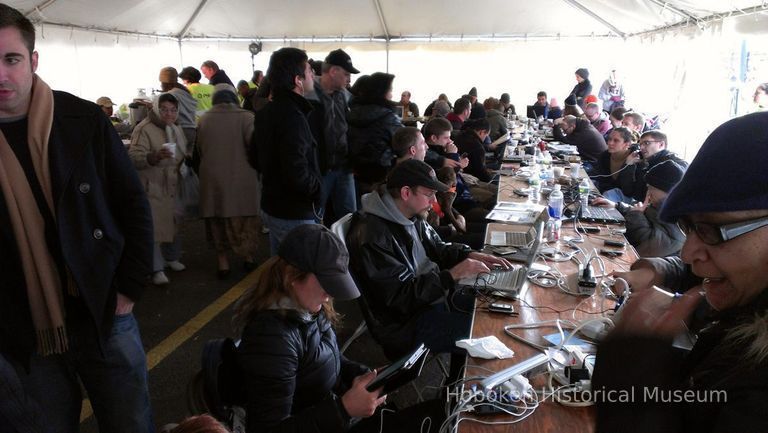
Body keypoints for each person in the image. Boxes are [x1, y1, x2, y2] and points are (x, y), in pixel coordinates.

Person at [0, 4, 153, 432]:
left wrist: (128, 289)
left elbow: (132, 205)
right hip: (24, 327)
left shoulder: (82, 119)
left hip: (103, 309)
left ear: (32, 60)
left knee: (130, 422)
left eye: (10, 59)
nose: (0, 76)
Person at [592, 111, 768, 433]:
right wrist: (658, 271)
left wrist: (630, 405)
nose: (688, 253)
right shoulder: (750, 288)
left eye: (711, 231)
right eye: (690, 227)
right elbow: (688, 268)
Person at [234, 224, 445, 433]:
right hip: (332, 420)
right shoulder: (271, 340)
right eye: (326, 283)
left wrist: (362, 375)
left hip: (332, 415)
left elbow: (329, 358)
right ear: (291, 277)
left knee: (442, 413)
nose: (330, 294)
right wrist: (344, 410)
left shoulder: (308, 307)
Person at [345, 160, 511, 373]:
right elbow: (400, 299)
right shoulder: (372, 237)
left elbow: (438, 249)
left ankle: (455, 382)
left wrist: (469, 253)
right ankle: (457, 393)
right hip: (407, 323)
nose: (434, 201)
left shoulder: (408, 215)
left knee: (496, 306)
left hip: (432, 298)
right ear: (406, 192)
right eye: (429, 194)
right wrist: (451, 275)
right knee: (487, 332)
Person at [251, 47, 321, 254]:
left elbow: (253, 156)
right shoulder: (293, 116)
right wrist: (316, 188)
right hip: (294, 210)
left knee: (281, 268)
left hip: (272, 204)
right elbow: (296, 170)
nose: (313, 75)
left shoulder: (267, 111)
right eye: (309, 71)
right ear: (298, 80)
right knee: (300, 273)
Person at [197, 85, 259, 278]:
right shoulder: (247, 117)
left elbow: (199, 150)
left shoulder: (204, 119)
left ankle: (222, 263)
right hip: (243, 181)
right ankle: (248, 258)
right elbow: (255, 148)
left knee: (217, 222)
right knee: (245, 221)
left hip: (213, 180)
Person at [129, 93, 187, 285]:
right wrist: (153, 156)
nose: (169, 113)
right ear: (155, 109)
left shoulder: (176, 128)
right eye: (164, 109)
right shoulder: (144, 128)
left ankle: (172, 258)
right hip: (152, 184)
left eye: (173, 110)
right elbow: (134, 157)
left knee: (175, 221)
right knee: (153, 229)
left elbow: (181, 154)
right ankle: (156, 268)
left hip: (173, 184)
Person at [306, 49, 359, 224]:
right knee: (315, 215)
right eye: (346, 74)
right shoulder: (307, 96)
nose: (349, 79)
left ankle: (346, 251)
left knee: (349, 217)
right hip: (320, 170)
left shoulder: (345, 96)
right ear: (333, 71)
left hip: (344, 167)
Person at [592, 160, 686, 257]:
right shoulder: (661, 204)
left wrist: (636, 214)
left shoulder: (677, 219)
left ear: (668, 191)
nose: (648, 193)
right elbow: (643, 213)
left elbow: (649, 244)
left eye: (652, 188)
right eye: (648, 188)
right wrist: (617, 206)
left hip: (638, 261)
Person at [347, 72, 402, 196]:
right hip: (380, 174)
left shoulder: (352, 112)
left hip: (354, 172)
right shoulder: (388, 117)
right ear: (382, 92)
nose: (392, 95)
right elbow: (407, 140)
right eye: (390, 90)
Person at [589, 127, 644, 203]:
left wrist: (629, 165)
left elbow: (628, 191)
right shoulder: (605, 156)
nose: (610, 143)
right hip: (606, 191)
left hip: (627, 198)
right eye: (609, 139)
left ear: (627, 144)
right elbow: (599, 176)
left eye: (616, 141)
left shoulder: (635, 160)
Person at [454, 117, 494, 183]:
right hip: (468, 179)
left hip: (460, 175)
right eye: (486, 135)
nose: (485, 138)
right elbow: (481, 173)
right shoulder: (478, 147)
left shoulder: (460, 135)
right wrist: (491, 178)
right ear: (482, 132)